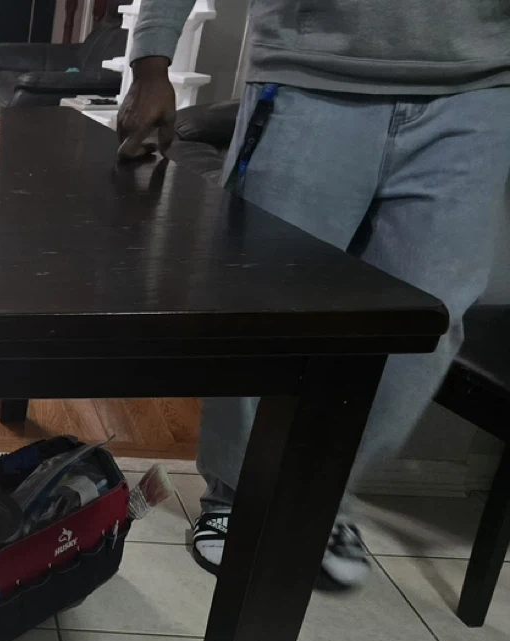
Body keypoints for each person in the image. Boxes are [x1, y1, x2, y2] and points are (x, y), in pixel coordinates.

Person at [117, 1, 510, 588]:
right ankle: (236, 494)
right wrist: (152, 61)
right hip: (309, 73)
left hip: (479, 91)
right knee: (262, 304)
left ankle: (324, 497)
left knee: (429, 322)